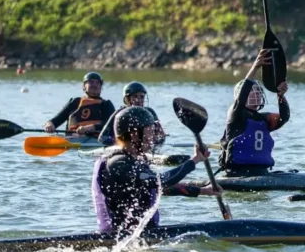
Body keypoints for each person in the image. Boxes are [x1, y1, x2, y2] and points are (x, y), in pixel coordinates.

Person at [91, 106, 219, 237]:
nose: (153, 137)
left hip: (138, 234)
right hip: (121, 237)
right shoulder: (119, 163)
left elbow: (156, 188)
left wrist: (203, 191)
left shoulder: (134, 161)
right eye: (149, 131)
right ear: (134, 134)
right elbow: (161, 182)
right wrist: (194, 161)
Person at [219, 50, 289, 177]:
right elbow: (242, 95)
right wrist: (255, 67)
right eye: (253, 91)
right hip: (236, 174)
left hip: (262, 173)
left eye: (258, 91)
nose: (257, 93)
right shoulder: (236, 115)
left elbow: (284, 117)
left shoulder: (264, 119)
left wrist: (281, 96)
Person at [43, 72, 117, 136]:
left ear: (101, 87)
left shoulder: (106, 104)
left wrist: (92, 127)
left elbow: (112, 125)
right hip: (72, 140)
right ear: (84, 87)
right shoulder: (75, 102)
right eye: (91, 82)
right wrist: (49, 125)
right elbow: (56, 120)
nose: (94, 85)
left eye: (97, 83)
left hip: (96, 141)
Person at [97, 82, 164, 147]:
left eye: (142, 97)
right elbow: (102, 138)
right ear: (127, 99)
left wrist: (154, 141)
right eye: (135, 96)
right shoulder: (120, 114)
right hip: (124, 147)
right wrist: (122, 142)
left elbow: (161, 136)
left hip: (146, 147)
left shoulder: (150, 112)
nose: (139, 100)